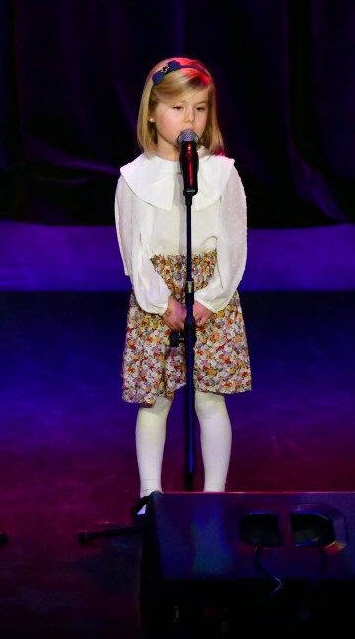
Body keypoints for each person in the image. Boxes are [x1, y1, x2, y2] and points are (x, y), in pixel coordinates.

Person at [115, 57, 251, 516]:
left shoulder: (222, 173)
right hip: (158, 300)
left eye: (199, 108)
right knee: (155, 399)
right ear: (152, 112)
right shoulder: (133, 178)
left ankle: (215, 497)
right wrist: (161, 300)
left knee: (210, 398)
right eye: (177, 108)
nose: (189, 119)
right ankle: (149, 494)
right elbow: (132, 250)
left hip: (211, 296)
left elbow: (234, 242)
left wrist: (210, 298)